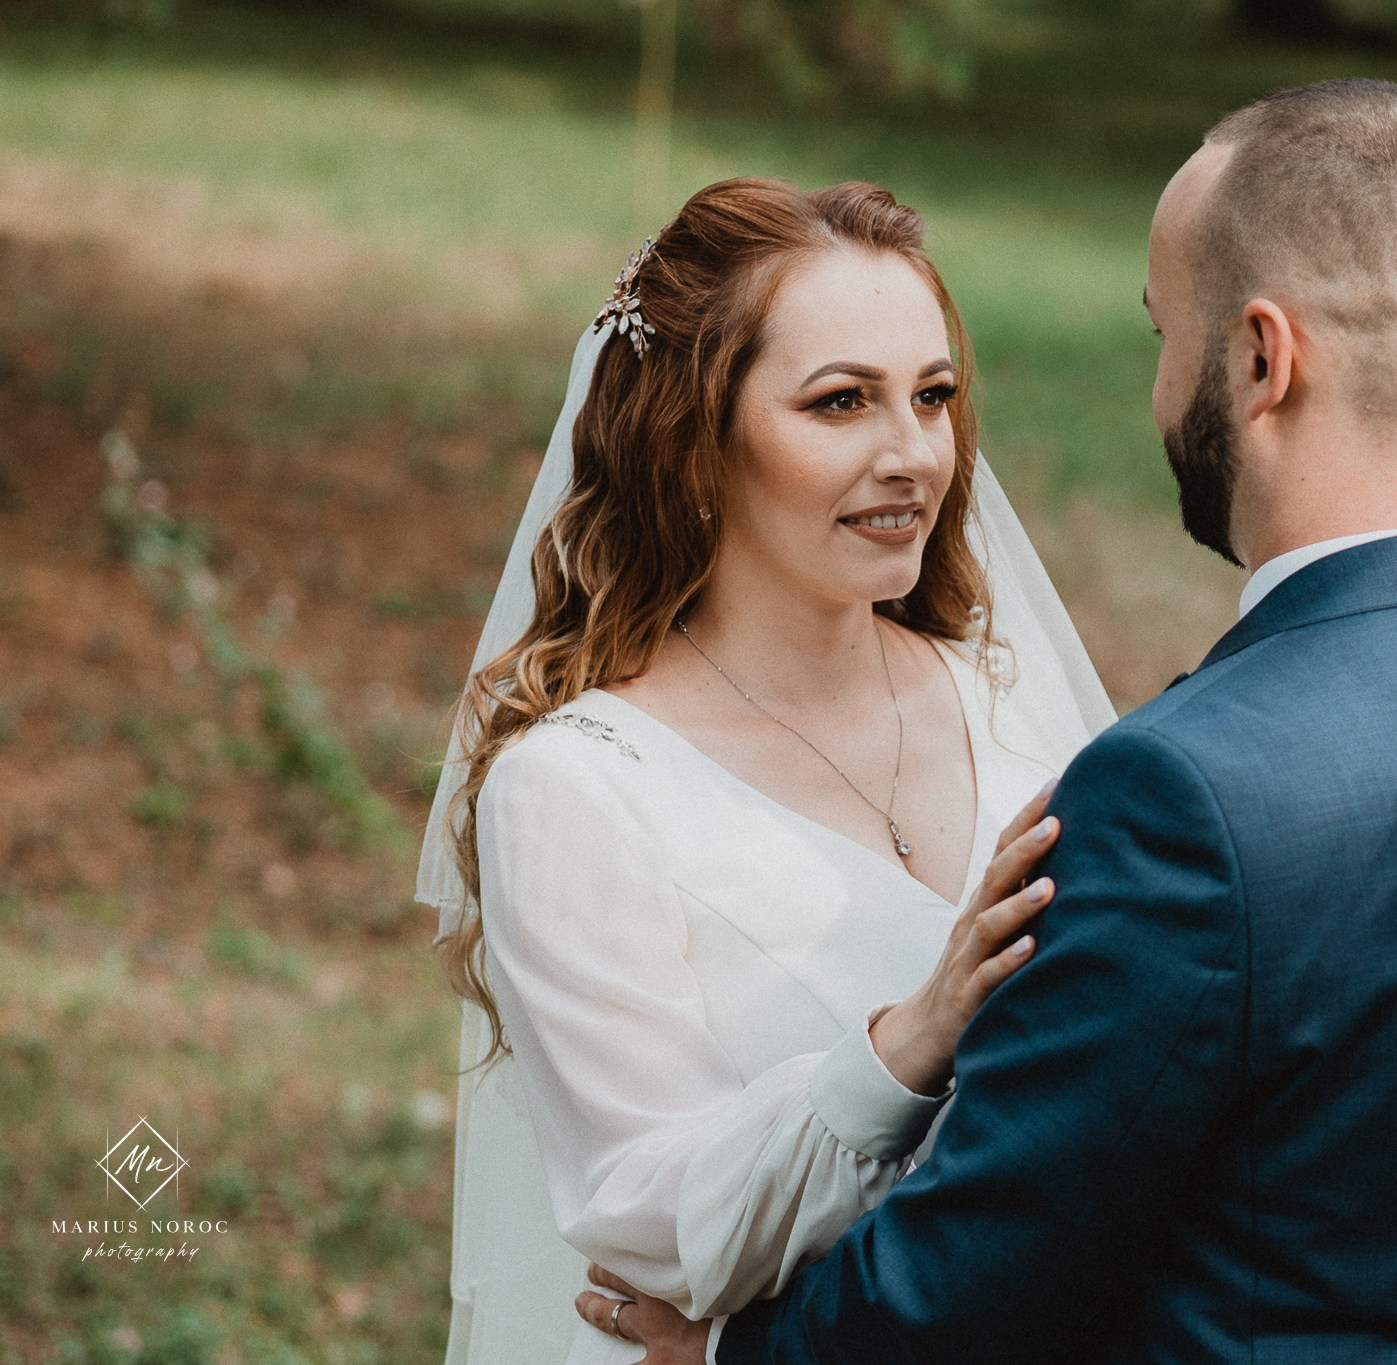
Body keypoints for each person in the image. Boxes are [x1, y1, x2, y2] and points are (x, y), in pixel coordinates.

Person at [592, 78, 1397, 1365]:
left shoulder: (1180, 796)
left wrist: (725, 1354)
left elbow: (980, 1272)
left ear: (1260, 361)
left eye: (1166, 333)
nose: (1158, 391)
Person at [414, 177, 1117, 1364]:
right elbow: (656, 1230)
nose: (912, 455)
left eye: (932, 397)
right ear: (693, 440)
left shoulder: (1009, 705)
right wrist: (910, 1041)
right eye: (840, 402)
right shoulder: (580, 789)